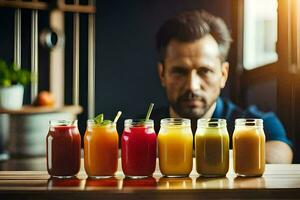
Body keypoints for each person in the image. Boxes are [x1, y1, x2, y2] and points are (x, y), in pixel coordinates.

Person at [152, 9, 293, 163]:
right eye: (179, 72)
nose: (192, 86)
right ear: (162, 74)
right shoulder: (137, 130)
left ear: (223, 74)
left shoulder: (258, 124)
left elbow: (279, 156)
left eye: (204, 71)